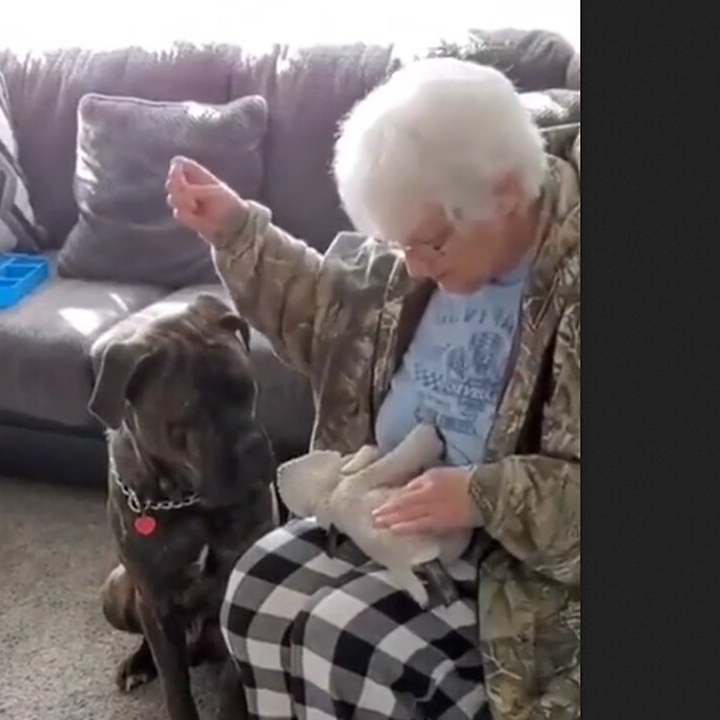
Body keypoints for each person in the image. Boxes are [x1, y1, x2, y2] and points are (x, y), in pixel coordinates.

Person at [165, 57, 580, 720]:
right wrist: (237, 229)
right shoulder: (430, 230)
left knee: (343, 638)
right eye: (398, 246)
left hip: (514, 560)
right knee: (255, 590)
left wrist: (480, 496)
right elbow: (333, 314)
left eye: (429, 246)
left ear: (505, 193)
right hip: (381, 498)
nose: (412, 267)